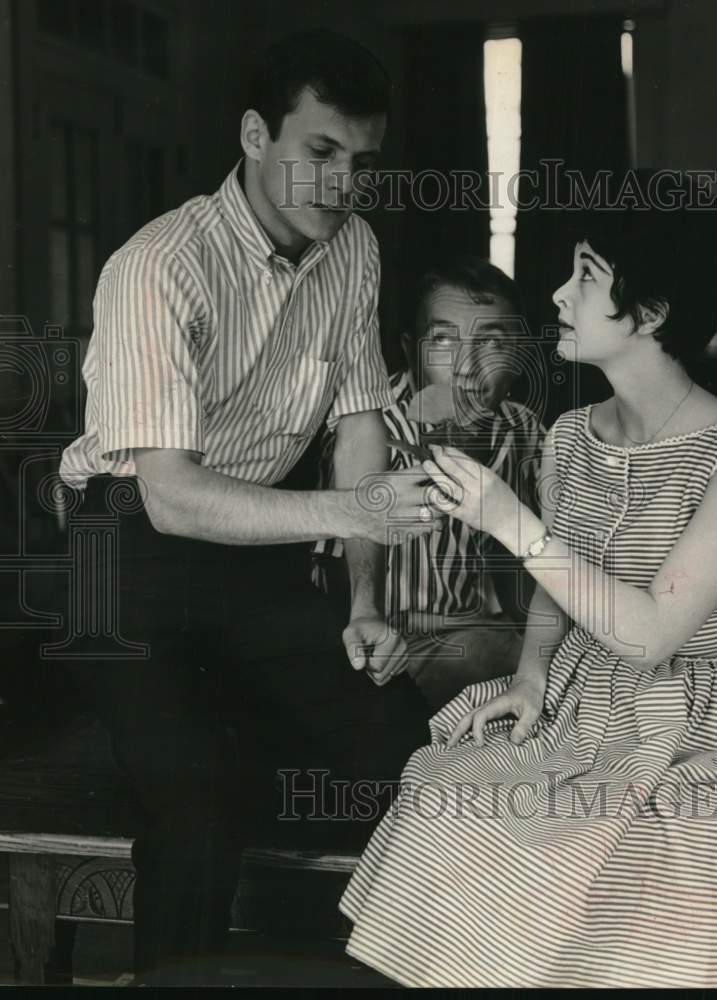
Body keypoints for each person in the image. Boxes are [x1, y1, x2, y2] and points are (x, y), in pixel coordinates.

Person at [339, 173, 717, 987]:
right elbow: (558, 592)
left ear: (652, 313)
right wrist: (528, 678)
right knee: (447, 798)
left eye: (586, 276)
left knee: (630, 878)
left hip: (696, 723)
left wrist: (504, 519)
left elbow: (651, 633)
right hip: (579, 698)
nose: (558, 294)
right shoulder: (570, 434)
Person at [55, 29, 443, 986]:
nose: (343, 183)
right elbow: (175, 498)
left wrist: (362, 604)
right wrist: (352, 516)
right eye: (320, 152)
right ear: (255, 134)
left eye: (362, 161)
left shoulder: (353, 250)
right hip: (129, 550)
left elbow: (360, 428)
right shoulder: (156, 268)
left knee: (408, 763)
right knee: (201, 804)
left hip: (258, 550)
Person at [314, 256, 545, 709]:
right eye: (442, 341)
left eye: (492, 344)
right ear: (408, 349)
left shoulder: (523, 431)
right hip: (384, 648)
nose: (467, 366)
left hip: (483, 634)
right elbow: (332, 577)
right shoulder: (368, 432)